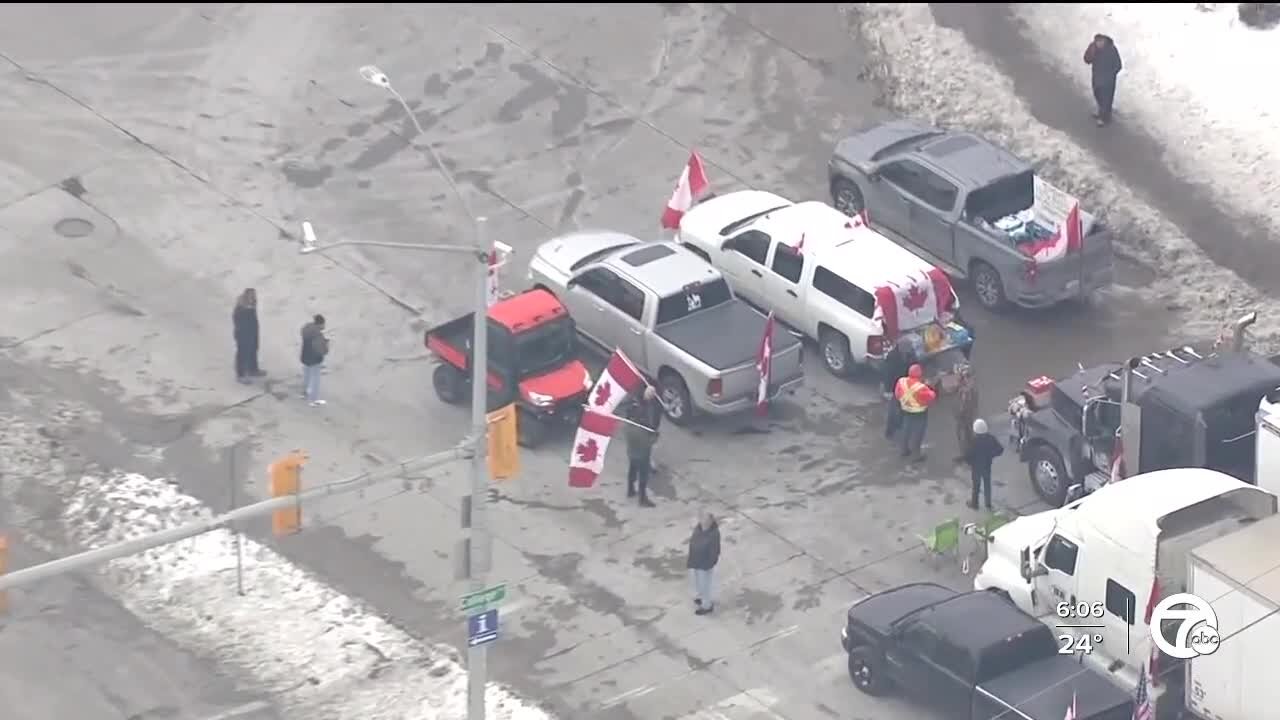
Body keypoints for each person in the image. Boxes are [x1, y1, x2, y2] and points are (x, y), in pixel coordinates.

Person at [624, 387, 662, 507]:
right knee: (643, 476)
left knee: (632, 470)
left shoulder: (628, 427)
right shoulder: (640, 431)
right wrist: (655, 436)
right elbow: (648, 442)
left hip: (632, 453)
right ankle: (642, 498)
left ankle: (630, 489)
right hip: (642, 455)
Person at [895, 363, 937, 461]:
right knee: (918, 433)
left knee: (906, 429)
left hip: (905, 410)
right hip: (919, 413)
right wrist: (929, 386)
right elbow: (932, 396)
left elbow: (897, 394)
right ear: (920, 375)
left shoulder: (901, 381)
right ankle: (916, 455)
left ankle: (904, 450)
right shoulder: (921, 388)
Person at [964, 419, 1004, 510]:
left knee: (976, 486)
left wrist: (970, 463)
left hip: (976, 468)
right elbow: (1000, 449)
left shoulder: (973, 441)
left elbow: (967, 455)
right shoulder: (991, 438)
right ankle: (988, 504)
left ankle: (974, 503)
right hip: (987, 466)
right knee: (987, 485)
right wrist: (991, 455)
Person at [1083, 34, 1122, 126]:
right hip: (1097, 77)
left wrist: (1111, 75)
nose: (1099, 43)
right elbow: (1087, 59)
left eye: (1101, 41)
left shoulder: (1112, 49)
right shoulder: (1093, 47)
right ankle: (1102, 113)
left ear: (1105, 41)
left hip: (1108, 80)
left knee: (1106, 99)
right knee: (1098, 95)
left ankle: (1103, 118)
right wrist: (1091, 53)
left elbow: (1118, 65)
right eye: (1097, 41)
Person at [686, 512, 721, 616]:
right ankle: (701, 598)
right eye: (702, 520)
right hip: (695, 560)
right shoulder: (699, 528)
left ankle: (707, 606)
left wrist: (710, 563)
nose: (703, 523)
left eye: (705, 521)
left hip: (705, 564)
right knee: (697, 582)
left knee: (705, 585)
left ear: (710, 522)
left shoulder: (714, 534)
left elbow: (715, 551)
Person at [882, 344, 914, 440]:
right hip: (894, 387)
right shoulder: (892, 357)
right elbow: (887, 374)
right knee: (893, 411)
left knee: (903, 409)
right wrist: (888, 390)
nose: (907, 353)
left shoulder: (910, 355)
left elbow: (914, 366)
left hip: (905, 386)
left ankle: (899, 425)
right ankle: (889, 431)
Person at [232, 289, 264, 383]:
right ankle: (241, 374)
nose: (253, 297)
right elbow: (238, 322)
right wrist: (243, 333)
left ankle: (253, 369)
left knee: (253, 350)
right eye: (251, 295)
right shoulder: (240, 308)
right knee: (243, 353)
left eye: (254, 295)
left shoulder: (252, 306)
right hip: (243, 334)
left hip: (253, 333)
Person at [299, 314, 330, 407]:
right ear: (320, 324)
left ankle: (304, 392)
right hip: (314, 360)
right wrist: (326, 343)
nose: (324, 326)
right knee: (316, 379)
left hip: (305, 356)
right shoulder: (318, 336)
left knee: (306, 375)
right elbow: (322, 350)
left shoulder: (307, 328)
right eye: (323, 324)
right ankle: (314, 399)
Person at [953, 366, 979, 462]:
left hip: (967, 416)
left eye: (967, 377)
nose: (965, 379)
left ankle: (971, 455)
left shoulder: (970, 390)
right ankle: (964, 454)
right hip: (961, 416)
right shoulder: (962, 388)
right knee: (961, 435)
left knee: (968, 435)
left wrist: (962, 412)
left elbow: (970, 405)